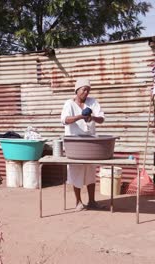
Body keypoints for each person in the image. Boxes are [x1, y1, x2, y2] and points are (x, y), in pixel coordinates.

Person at [60, 78, 105, 211]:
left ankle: (92, 201)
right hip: (74, 144)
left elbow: (101, 119)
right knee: (76, 173)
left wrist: (93, 117)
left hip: (90, 143)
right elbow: (65, 120)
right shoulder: (69, 104)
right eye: (84, 89)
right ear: (77, 90)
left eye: (88, 90)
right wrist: (80, 117)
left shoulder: (93, 102)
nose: (86, 92)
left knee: (90, 172)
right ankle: (78, 202)